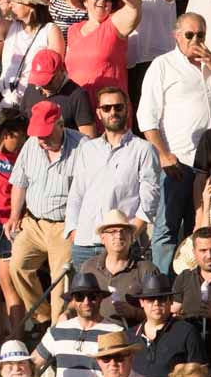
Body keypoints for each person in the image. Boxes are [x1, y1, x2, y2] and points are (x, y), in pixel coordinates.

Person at [140, 13, 211, 275]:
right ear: (176, 36)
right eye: (189, 35)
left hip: (210, 165)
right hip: (179, 162)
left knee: (202, 229)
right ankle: (160, 291)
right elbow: (146, 118)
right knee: (166, 229)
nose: (195, 40)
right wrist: (163, 154)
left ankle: (194, 292)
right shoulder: (162, 65)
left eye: (200, 35)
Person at [64, 88, 160, 270]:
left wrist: (129, 237)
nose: (113, 112)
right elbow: (76, 193)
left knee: (120, 298)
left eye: (118, 107)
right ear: (99, 113)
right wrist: (73, 230)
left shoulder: (144, 150)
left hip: (120, 246)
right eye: (107, 108)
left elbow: (149, 200)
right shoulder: (87, 149)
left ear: (127, 109)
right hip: (84, 244)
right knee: (85, 299)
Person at [7, 100, 84, 322]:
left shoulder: (83, 146)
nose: (42, 140)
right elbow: (20, 182)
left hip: (64, 225)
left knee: (60, 282)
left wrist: (77, 225)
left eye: (46, 135)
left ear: (61, 124)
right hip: (33, 222)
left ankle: (56, 335)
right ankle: (42, 319)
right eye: (39, 135)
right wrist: (14, 215)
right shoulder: (32, 144)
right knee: (18, 266)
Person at [32, 272, 124, 377]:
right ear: (73, 301)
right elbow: (31, 366)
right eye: (80, 296)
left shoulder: (116, 332)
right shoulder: (58, 330)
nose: (86, 301)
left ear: (100, 299)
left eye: (92, 296)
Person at [124, 274, 207, 377]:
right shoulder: (129, 336)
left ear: (171, 301)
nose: (156, 304)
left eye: (161, 299)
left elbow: (200, 373)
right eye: (150, 299)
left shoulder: (186, 332)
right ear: (141, 302)